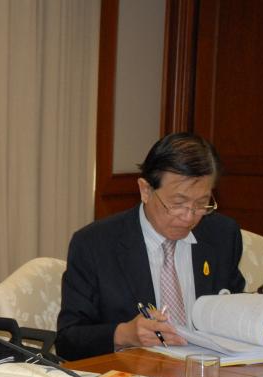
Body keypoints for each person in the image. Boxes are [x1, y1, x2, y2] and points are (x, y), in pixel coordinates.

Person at [56, 132, 246, 359]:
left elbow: (233, 306)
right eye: (178, 203)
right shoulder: (94, 244)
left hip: (207, 370)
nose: (189, 217)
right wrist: (123, 334)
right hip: (133, 373)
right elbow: (68, 340)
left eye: (201, 203)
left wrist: (257, 314)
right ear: (145, 190)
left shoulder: (222, 235)